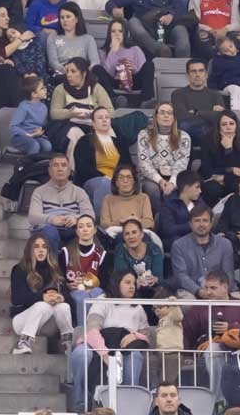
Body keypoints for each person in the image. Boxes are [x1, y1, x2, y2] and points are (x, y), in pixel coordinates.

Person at [68, 271, 149, 409]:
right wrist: (105, 355)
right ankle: (81, 402)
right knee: (82, 354)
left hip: (123, 348)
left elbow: (146, 335)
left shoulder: (138, 307)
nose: (132, 287)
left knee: (135, 355)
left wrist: (135, 335)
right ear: (117, 283)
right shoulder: (103, 300)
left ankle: (127, 405)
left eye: (134, 283)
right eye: (127, 282)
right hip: (97, 345)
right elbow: (92, 330)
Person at [10, 234, 73, 355]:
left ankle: (68, 344)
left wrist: (61, 297)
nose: (40, 250)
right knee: (43, 305)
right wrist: (42, 297)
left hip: (47, 323)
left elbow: (69, 299)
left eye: (44, 247)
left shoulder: (55, 270)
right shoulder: (19, 269)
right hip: (22, 321)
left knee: (64, 307)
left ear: (48, 250)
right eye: (36, 247)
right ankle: (23, 343)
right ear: (30, 250)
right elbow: (17, 299)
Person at [29, 152, 94, 249]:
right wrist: (52, 220)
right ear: (49, 171)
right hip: (49, 227)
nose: (60, 169)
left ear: (69, 171)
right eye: (55, 165)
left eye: (63, 165)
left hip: (72, 227)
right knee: (50, 232)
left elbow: (90, 215)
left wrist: (76, 219)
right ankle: (53, 264)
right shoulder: (39, 192)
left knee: (85, 231)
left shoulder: (79, 192)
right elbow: (33, 217)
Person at [170, 202, 235, 296]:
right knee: (186, 303)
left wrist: (217, 292)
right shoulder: (178, 245)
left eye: (205, 220)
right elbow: (181, 276)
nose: (201, 224)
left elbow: (229, 274)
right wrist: (198, 291)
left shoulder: (225, 244)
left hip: (221, 290)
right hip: (190, 291)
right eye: (197, 220)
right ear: (190, 224)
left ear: (211, 223)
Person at [135, 102, 190, 205]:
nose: (166, 116)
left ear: (174, 117)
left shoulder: (184, 136)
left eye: (169, 113)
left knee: (183, 189)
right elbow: (144, 163)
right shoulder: (144, 134)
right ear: (156, 116)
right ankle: (157, 218)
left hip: (175, 176)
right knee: (153, 190)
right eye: (162, 112)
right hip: (150, 177)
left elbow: (182, 163)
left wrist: (172, 182)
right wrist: (160, 180)